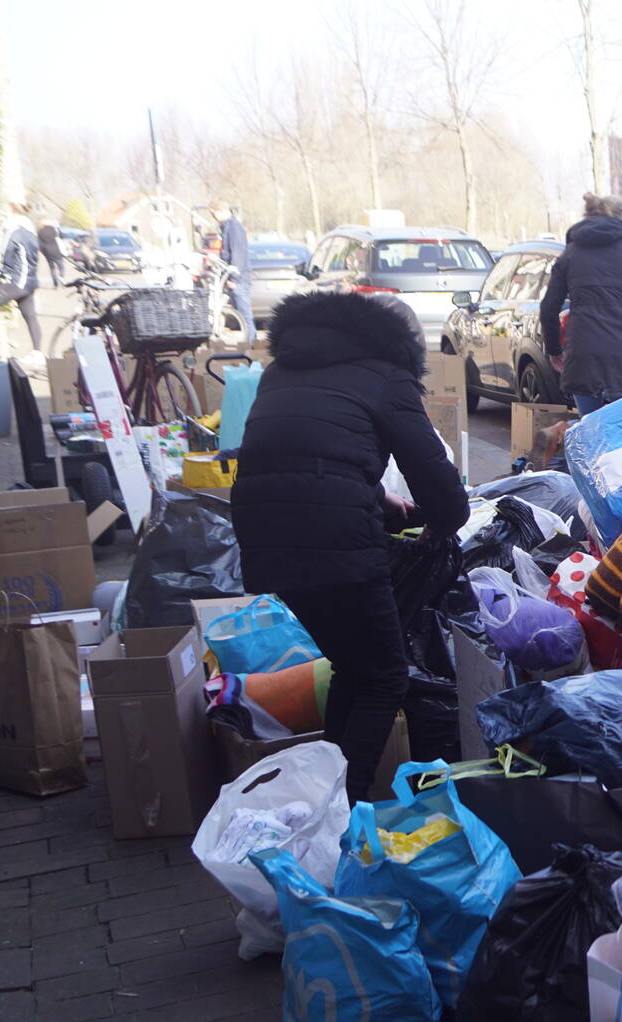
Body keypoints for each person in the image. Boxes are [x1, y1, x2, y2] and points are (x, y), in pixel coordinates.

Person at [230, 288, 468, 802]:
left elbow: (309, 452)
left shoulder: (284, 370)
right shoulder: (388, 376)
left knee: (352, 667)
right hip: (335, 541)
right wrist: (447, 521)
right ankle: (344, 812)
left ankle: (325, 793)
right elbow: (432, 473)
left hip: (263, 537)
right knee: (384, 675)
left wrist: (384, 504)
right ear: (403, 345)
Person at [540, 193, 622, 415]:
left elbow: (548, 309)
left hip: (583, 354)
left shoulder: (570, 254)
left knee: (590, 429)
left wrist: (555, 350)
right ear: (621, 217)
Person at [0, 206, 42, 357]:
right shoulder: (32, 236)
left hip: (17, 282)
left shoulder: (13, 232)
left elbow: (6, 256)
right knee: (30, 316)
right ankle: (38, 353)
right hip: (30, 282)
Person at [219, 203, 256, 344]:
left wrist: (234, 277)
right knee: (242, 313)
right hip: (238, 277)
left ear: (221, 211)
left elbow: (238, 253)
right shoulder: (229, 227)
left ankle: (250, 343)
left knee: (244, 314)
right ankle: (250, 343)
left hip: (239, 278)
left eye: (213, 214)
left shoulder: (233, 227)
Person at [36, 218, 66, 286]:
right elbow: (62, 236)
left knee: (52, 268)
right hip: (57, 250)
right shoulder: (54, 229)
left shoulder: (40, 231)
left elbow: (40, 244)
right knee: (61, 266)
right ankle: (61, 279)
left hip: (48, 252)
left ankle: (55, 283)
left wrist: (43, 252)